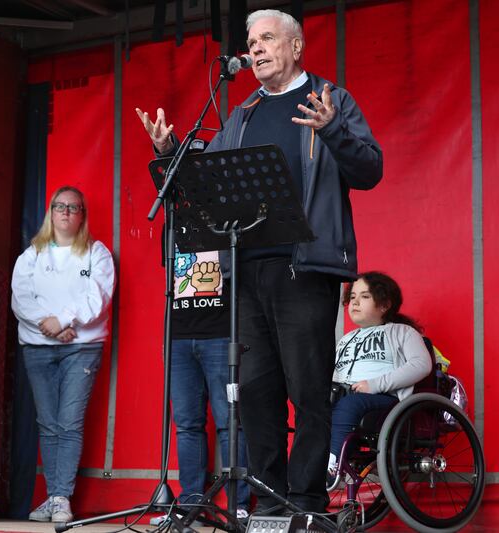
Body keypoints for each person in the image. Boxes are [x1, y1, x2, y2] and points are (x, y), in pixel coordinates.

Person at [136, 9, 383, 513]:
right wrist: (169, 150)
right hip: (245, 273)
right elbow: (206, 180)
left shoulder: (331, 99)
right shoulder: (243, 112)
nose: (256, 49)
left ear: (296, 47)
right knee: (254, 392)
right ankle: (269, 506)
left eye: (267, 38)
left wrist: (332, 129)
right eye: (252, 43)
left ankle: (306, 502)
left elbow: (370, 170)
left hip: (305, 269)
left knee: (308, 390)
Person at [11, 186, 115, 524]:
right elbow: (21, 299)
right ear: (51, 213)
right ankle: (55, 495)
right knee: (48, 423)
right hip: (38, 348)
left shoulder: (97, 253)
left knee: (69, 423)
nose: (66, 212)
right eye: (60, 206)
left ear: (82, 215)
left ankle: (60, 498)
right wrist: (51, 325)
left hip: (82, 349)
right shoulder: (31, 255)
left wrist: (65, 320)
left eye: (73, 207)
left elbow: (97, 298)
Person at [167, 248, 250, 518]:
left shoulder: (225, 226)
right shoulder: (172, 226)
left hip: (221, 332)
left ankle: (237, 504)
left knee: (230, 421)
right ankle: (191, 504)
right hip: (178, 335)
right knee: (186, 423)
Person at [328, 272, 432, 478]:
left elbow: (421, 365)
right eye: (352, 297)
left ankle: (332, 467)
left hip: (383, 399)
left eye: (365, 296)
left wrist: (375, 384)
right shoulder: (346, 339)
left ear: (384, 305)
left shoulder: (403, 332)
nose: (355, 302)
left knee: (350, 404)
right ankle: (308, 467)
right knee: (313, 407)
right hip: (346, 396)